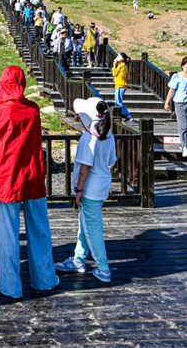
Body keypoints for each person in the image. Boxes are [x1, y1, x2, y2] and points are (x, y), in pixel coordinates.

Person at [0, 66, 59, 299]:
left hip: (6, 178)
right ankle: (44, 279)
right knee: (40, 231)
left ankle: (10, 285)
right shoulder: (33, 109)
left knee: (7, 234)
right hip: (32, 176)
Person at [56, 97, 117, 283]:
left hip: (89, 189)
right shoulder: (108, 134)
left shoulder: (89, 136)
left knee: (93, 229)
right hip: (102, 185)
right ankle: (79, 259)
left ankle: (104, 268)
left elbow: (85, 167)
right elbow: (111, 161)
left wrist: (79, 190)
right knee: (85, 223)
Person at [163, 56, 187, 158]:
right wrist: (167, 102)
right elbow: (172, 90)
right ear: (182, 66)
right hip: (180, 103)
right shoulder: (177, 76)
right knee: (183, 125)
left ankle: (183, 142)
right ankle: (185, 147)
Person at [112, 53, 133, 121]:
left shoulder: (122, 66)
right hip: (119, 84)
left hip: (121, 85)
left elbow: (115, 74)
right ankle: (120, 115)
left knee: (118, 102)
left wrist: (114, 66)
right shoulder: (121, 65)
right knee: (117, 102)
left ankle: (128, 115)